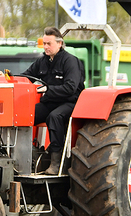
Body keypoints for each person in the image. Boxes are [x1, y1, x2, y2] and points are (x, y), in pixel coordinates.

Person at [6, 27, 85, 174]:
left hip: (70, 102)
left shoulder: (70, 61)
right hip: (50, 101)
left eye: (49, 43)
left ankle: (56, 162)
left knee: (54, 117)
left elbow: (71, 88)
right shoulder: (42, 61)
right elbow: (26, 76)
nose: (46, 47)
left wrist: (48, 90)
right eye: (44, 43)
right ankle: (21, 155)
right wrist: (8, 78)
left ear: (60, 43)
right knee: (24, 115)